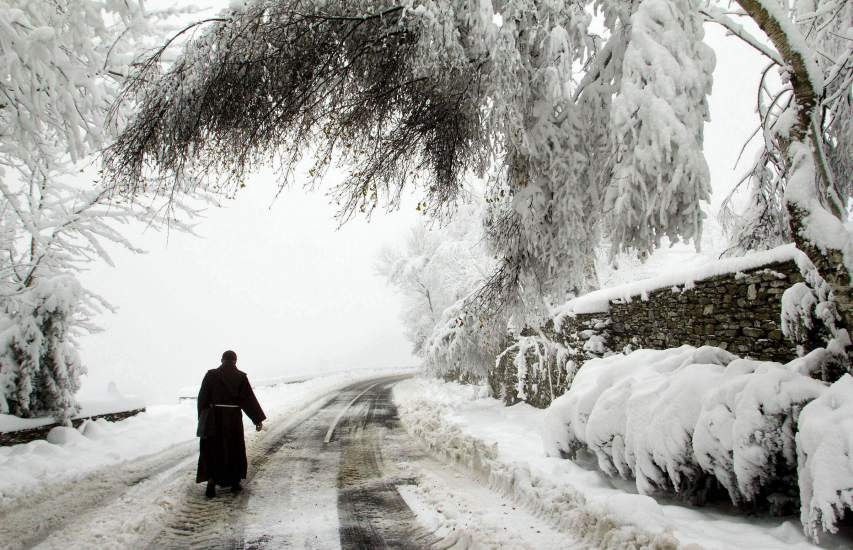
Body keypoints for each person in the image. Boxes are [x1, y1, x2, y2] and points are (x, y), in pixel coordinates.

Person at [196, 350, 266, 498]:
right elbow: (248, 400)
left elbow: (202, 398)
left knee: (213, 450)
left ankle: (211, 481)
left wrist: (202, 418)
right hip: (233, 419)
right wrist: (257, 419)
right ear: (235, 361)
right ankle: (234, 482)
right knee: (234, 449)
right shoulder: (240, 377)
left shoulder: (211, 375)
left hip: (214, 419)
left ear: (222, 360)